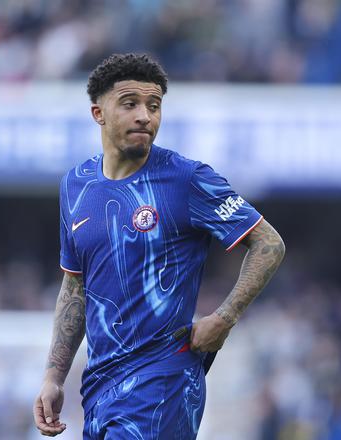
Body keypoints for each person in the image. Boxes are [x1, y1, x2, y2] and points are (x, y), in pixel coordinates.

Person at [33, 53, 285, 439]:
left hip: (163, 382)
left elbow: (268, 242)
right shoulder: (75, 186)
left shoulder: (186, 179)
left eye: (153, 106)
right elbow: (76, 286)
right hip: (99, 390)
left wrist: (224, 317)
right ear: (98, 113)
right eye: (130, 104)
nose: (144, 116)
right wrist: (54, 376)